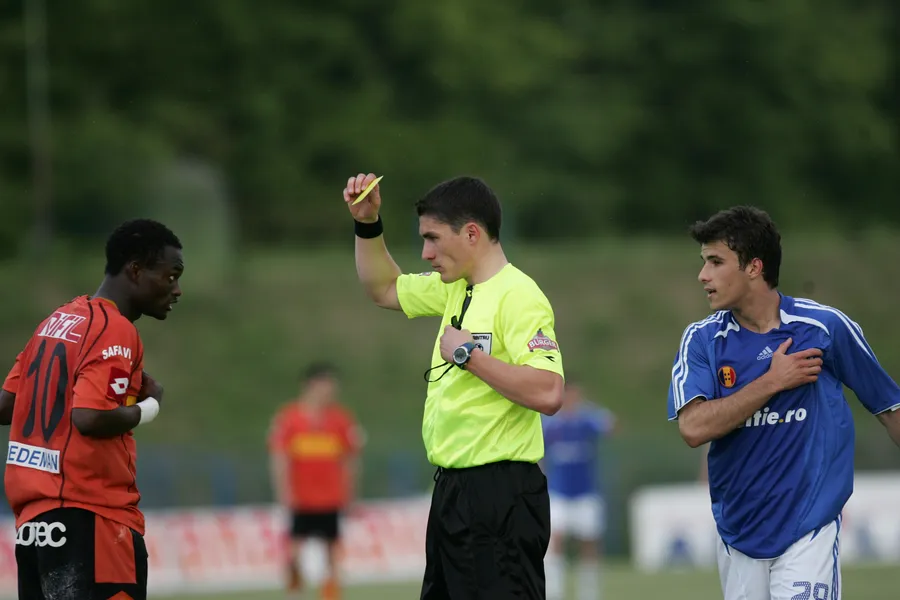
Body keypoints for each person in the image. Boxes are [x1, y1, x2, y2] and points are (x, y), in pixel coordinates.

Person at [343, 172, 565, 600]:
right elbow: (383, 288)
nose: (425, 253)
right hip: (452, 491)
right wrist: (367, 223)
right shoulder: (456, 288)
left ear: (471, 234)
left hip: (500, 495)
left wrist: (469, 355)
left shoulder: (519, 295)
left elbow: (549, 392)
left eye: (433, 238)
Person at [666, 206, 900, 600]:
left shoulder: (824, 328)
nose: (703, 275)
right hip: (739, 533)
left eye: (715, 262)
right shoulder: (703, 340)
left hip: (810, 527)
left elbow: (890, 410)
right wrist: (772, 382)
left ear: (754, 267)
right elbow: (693, 428)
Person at [0, 219, 184, 600]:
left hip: (33, 528)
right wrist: (151, 405)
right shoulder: (115, 329)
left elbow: (6, 406)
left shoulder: (56, 321)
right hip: (94, 523)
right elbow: (89, 417)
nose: (177, 289)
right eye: (171, 276)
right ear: (136, 270)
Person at [268, 362, 364, 600]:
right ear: (309, 386)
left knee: (332, 550)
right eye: (325, 385)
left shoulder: (341, 420)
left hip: (331, 497)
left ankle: (330, 595)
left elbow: (351, 460)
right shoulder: (289, 418)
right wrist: (283, 492)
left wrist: (350, 494)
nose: (329, 391)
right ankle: (294, 592)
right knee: (293, 552)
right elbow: (279, 458)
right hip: (301, 498)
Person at [541, 379, 617, 600]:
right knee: (555, 540)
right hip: (558, 492)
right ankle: (554, 591)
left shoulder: (587, 420)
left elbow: (612, 426)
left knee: (589, 542)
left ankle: (589, 593)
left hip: (586, 492)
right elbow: (538, 452)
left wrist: (592, 410)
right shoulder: (550, 423)